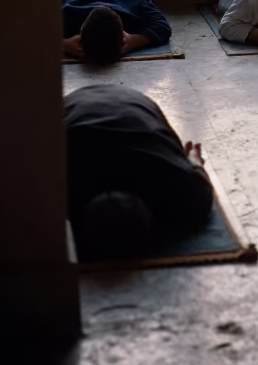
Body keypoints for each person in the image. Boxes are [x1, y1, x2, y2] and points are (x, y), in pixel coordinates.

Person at [64, 84, 214, 260]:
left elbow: (194, 162)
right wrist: (191, 161)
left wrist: (190, 161)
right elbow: (195, 162)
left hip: (84, 105)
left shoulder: (57, 181)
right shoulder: (183, 190)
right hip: (129, 101)